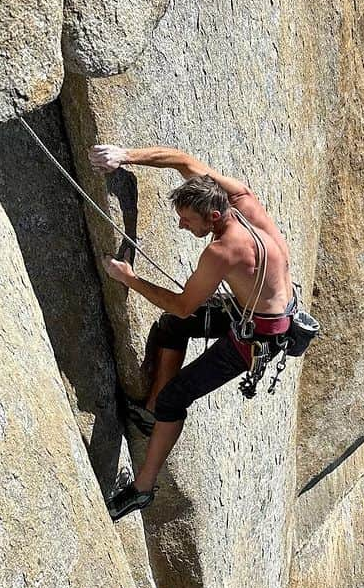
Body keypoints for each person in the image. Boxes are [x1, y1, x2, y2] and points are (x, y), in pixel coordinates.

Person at [89, 143, 294, 520]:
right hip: (253, 311)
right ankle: (151, 415)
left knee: (175, 397)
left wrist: (130, 279)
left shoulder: (224, 251)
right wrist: (124, 155)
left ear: (213, 216)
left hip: (255, 338)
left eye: (188, 221)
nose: (182, 226)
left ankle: (141, 489)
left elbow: (184, 303)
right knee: (173, 328)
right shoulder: (238, 197)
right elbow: (183, 161)